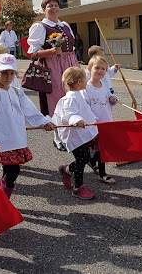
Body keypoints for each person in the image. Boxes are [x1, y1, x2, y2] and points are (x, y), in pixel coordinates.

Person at [0, 54, 53, 199]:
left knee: (10, 172)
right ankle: (2, 200)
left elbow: (29, 109)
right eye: (4, 73)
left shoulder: (16, 92)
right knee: (13, 172)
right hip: (3, 142)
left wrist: (43, 122)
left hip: (17, 138)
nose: (8, 77)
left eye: (11, 73)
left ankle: (2, 200)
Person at [27, 0, 80, 117]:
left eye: (56, 5)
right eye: (50, 6)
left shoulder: (65, 25)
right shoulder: (40, 27)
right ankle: (60, 126)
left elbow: (71, 48)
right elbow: (33, 53)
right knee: (58, 96)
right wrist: (52, 51)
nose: (54, 8)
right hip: (53, 66)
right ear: (44, 10)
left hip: (71, 63)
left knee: (76, 93)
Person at [54, 67, 99, 200]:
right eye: (85, 79)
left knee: (84, 158)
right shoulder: (70, 98)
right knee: (82, 159)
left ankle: (66, 170)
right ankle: (78, 187)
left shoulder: (78, 94)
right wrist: (77, 120)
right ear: (79, 82)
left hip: (81, 134)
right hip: (75, 135)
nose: (87, 82)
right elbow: (69, 114)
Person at [82, 56, 117, 184]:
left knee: (103, 148)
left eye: (104, 69)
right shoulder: (86, 88)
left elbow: (109, 96)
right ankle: (100, 170)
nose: (100, 71)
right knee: (99, 148)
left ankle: (96, 165)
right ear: (90, 69)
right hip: (94, 123)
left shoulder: (105, 86)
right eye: (97, 68)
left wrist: (112, 99)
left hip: (106, 121)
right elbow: (84, 106)